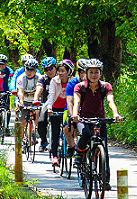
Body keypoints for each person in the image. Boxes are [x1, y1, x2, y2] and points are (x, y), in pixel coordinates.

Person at [71, 58, 122, 190]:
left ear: (101, 73)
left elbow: (110, 101)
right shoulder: (80, 86)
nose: (93, 75)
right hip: (84, 119)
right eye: (91, 72)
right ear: (86, 73)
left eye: (96, 72)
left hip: (100, 119)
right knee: (86, 134)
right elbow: (76, 101)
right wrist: (75, 114)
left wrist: (115, 114)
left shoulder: (106, 86)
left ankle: (105, 180)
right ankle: (79, 154)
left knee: (104, 149)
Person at [43, 59, 74, 168]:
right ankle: (55, 156)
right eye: (59, 71)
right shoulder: (54, 81)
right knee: (55, 133)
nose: (60, 73)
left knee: (71, 129)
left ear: (69, 71)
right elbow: (51, 95)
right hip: (55, 109)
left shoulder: (73, 81)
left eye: (63, 71)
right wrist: (50, 108)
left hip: (67, 109)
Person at [63, 58, 87, 155]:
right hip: (70, 110)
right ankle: (71, 146)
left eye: (87, 72)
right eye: (82, 72)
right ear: (78, 73)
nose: (85, 75)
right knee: (67, 126)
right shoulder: (72, 83)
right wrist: (72, 115)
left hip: (85, 110)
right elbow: (69, 102)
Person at [15, 58, 41, 144]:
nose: (29, 72)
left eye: (32, 70)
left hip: (34, 100)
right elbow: (20, 92)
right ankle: (21, 141)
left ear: (35, 70)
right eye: (27, 69)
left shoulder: (39, 78)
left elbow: (39, 90)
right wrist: (21, 103)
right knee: (22, 122)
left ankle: (34, 131)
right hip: (24, 101)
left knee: (37, 113)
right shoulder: (21, 78)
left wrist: (36, 101)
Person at [33, 56, 57, 152]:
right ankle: (43, 141)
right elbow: (39, 89)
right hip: (46, 105)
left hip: (58, 105)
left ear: (55, 67)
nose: (49, 71)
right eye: (46, 69)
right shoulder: (43, 78)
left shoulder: (60, 78)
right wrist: (35, 99)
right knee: (41, 121)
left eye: (51, 68)